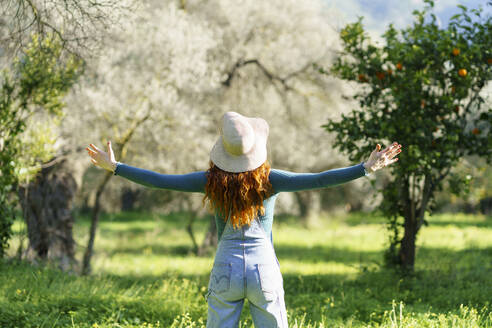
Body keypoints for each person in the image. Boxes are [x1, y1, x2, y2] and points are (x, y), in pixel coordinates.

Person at [86, 111, 402, 328]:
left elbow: (159, 180)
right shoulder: (271, 180)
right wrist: (365, 167)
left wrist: (116, 167)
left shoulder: (210, 181)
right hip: (263, 268)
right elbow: (320, 179)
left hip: (226, 267)